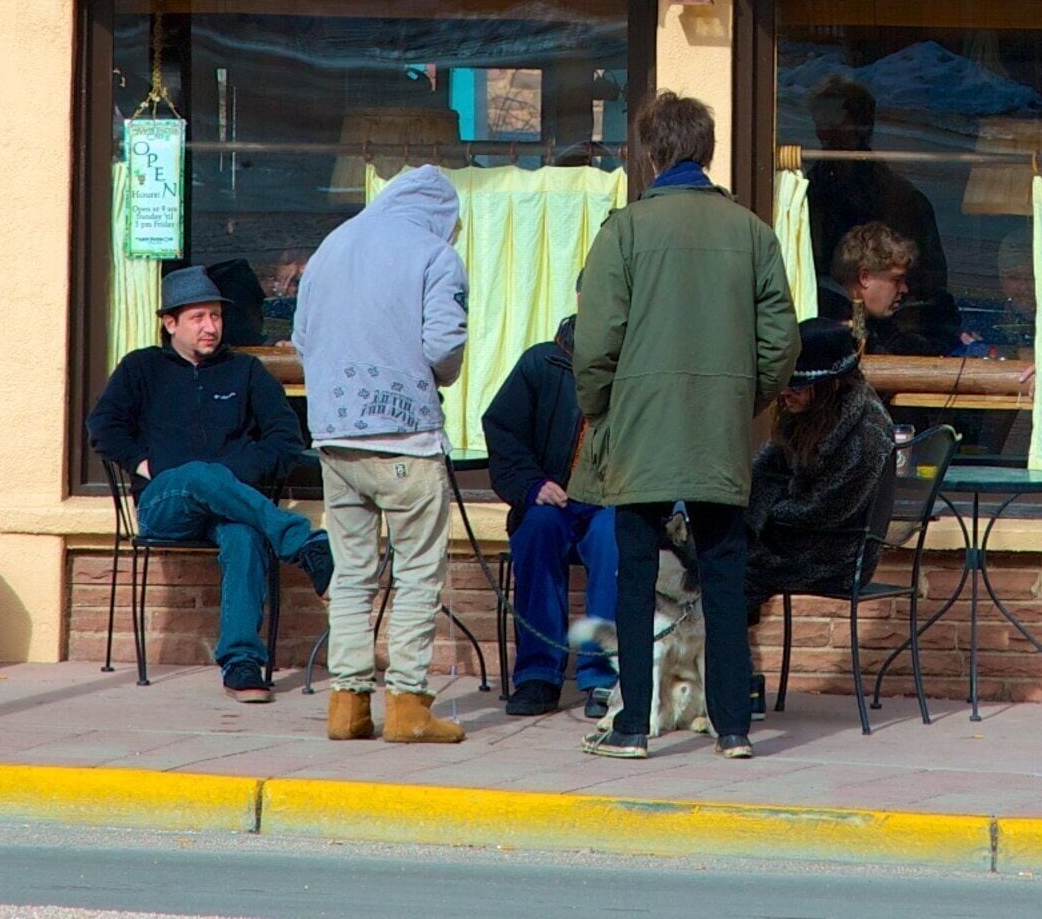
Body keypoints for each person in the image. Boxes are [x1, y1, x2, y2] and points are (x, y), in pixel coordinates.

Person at [571, 90, 794, 760]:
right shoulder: (752, 232)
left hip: (639, 426)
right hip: (718, 430)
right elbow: (780, 344)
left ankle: (633, 726)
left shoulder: (624, 231)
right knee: (724, 576)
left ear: (650, 155)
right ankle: (733, 727)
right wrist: (738, 402)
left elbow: (596, 343)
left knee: (635, 577)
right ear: (708, 151)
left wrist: (600, 408)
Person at [85, 265, 333, 703]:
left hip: (231, 507)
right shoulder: (142, 367)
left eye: (216, 316)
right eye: (198, 317)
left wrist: (235, 476)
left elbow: (286, 438)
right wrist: (144, 464)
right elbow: (103, 427)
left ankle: (241, 663)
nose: (211, 327)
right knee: (200, 474)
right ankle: (304, 544)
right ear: (170, 323)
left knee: (244, 535)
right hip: (166, 504)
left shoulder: (245, 371)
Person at [292, 164, 469, 745]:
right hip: (405, 438)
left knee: (351, 574)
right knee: (417, 573)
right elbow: (444, 346)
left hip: (335, 437)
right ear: (443, 215)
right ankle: (408, 706)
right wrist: (435, 377)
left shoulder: (332, 245)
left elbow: (302, 338)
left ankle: (347, 705)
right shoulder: (434, 254)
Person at [481, 313, 619, 720]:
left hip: (610, 502)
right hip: (553, 501)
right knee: (538, 528)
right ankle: (538, 676)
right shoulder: (542, 362)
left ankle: (602, 677)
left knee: (616, 537)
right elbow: (503, 431)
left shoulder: (638, 365)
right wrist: (531, 484)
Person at [748, 317, 899, 610]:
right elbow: (767, 472)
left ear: (831, 385)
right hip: (795, 540)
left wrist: (765, 519)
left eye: (797, 386)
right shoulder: (809, 416)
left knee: (729, 569)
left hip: (836, 557)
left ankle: (722, 641)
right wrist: (743, 515)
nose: (785, 393)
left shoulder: (867, 433)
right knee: (717, 553)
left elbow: (823, 510)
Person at [801, 80, 958, 349]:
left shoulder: (900, 199)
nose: (826, 133)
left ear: (861, 126)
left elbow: (928, 279)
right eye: (821, 124)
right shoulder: (808, 194)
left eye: (835, 123)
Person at [833, 221, 958, 357]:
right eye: (896, 280)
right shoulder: (834, 329)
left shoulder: (876, 325)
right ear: (865, 278)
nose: (905, 289)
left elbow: (904, 345)